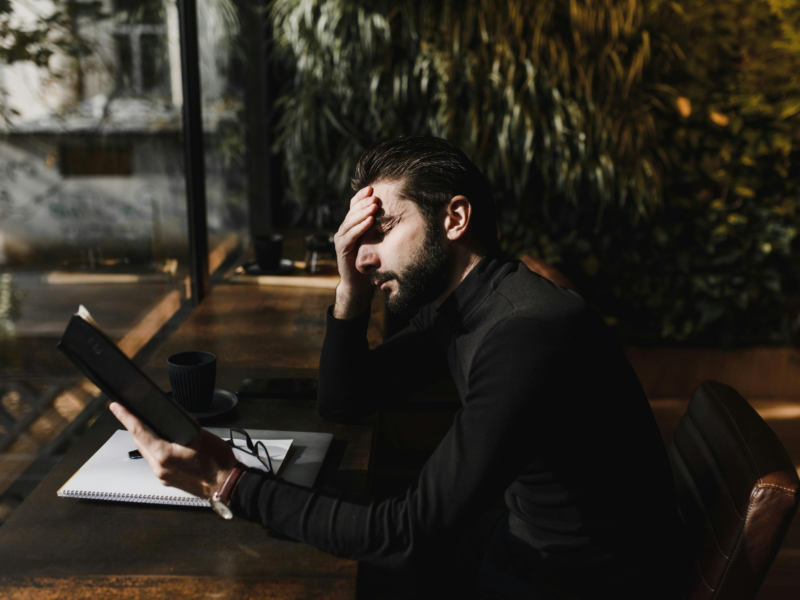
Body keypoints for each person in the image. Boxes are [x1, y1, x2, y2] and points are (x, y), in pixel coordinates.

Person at [110, 136, 690, 599]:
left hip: (571, 582)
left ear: (454, 219)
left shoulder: (524, 333)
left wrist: (226, 481)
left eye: (381, 230)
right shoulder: (464, 306)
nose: (364, 253)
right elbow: (345, 401)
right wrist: (350, 289)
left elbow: (408, 535)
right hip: (523, 546)